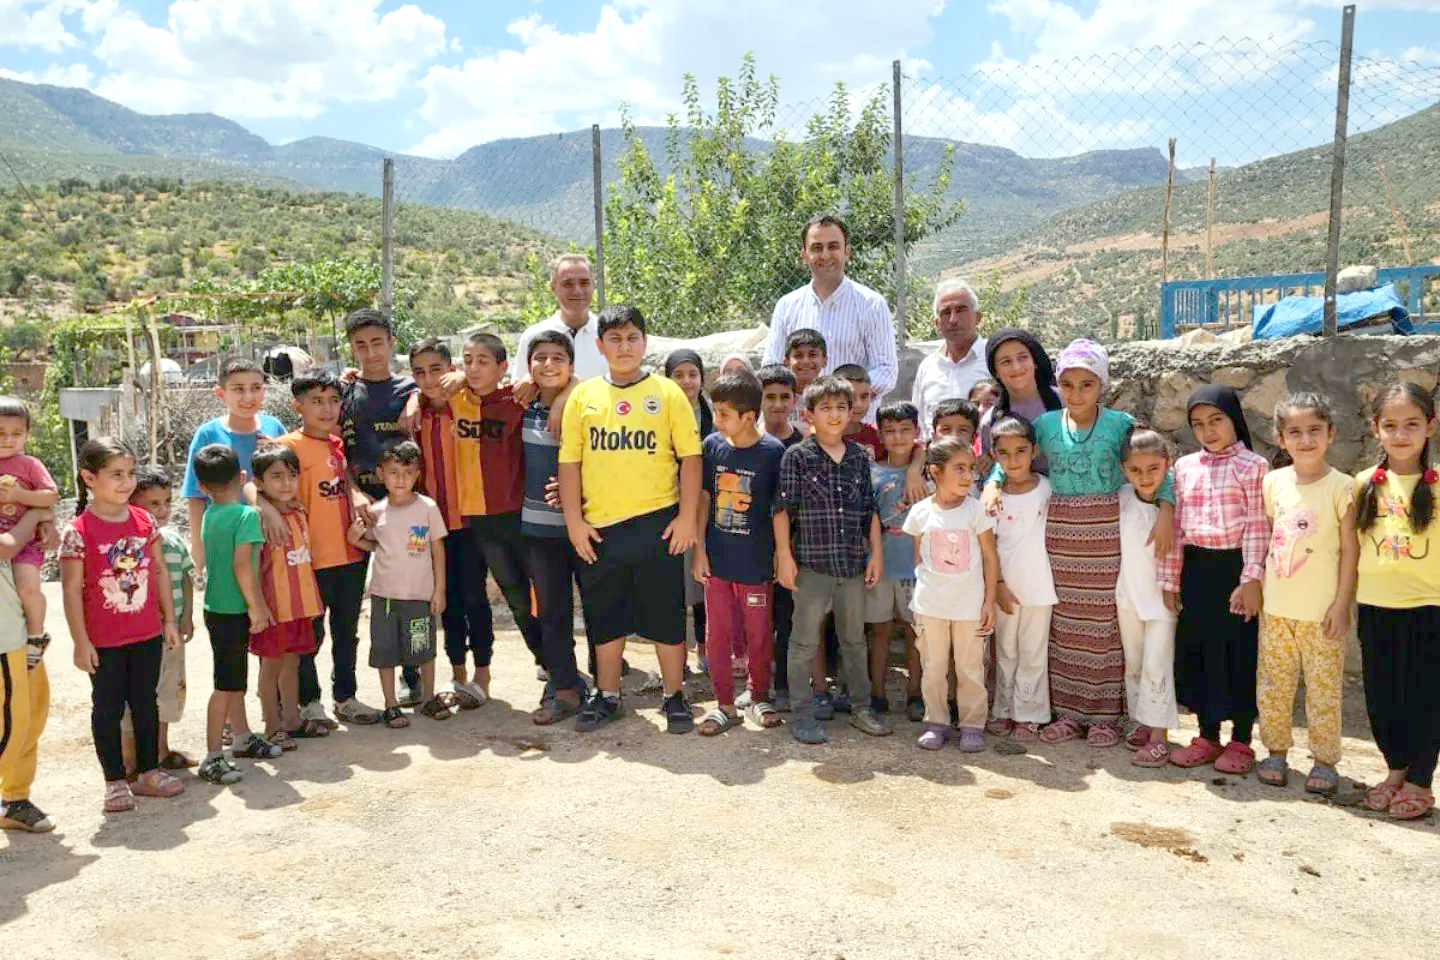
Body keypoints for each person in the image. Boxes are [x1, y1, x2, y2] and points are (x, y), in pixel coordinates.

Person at [982, 339, 1174, 748]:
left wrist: (1168, 509)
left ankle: (1104, 715)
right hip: (1060, 531)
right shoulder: (1048, 425)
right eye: (1068, 384)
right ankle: (1068, 713)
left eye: (1087, 384)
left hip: (1108, 531)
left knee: (1104, 625)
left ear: (1101, 385)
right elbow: (1014, 455)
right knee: (1065, 626)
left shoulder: (1121, 424)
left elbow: (1157, 465)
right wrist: (994, 483)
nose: (1076, 393)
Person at [559, 305, 701, 734]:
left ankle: (674, 696)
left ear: (645, 343)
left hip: (657, 522)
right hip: (599, 528)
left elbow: (691, 459)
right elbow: (569, 464)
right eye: (614, 339)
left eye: (632, 338)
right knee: (605, 616)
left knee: (666, 615)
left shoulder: (667, 393)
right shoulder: (582, 397)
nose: (624, 347)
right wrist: (574, 523)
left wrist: (686, 518)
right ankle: (608, 696)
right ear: (600, 346)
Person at [59, 438, 185, 811]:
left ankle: (148, 772)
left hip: (147, 634)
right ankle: (115, 781)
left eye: (130, 474)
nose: (126, 482)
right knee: (108, 708)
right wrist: (81, 642)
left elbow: (159, 569)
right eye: (116, 475)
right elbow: (69, 589)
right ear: (88, 478)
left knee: (146, 703)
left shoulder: (144, 520)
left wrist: (170, 621)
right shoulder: (78, 531)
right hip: (104, 641)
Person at [1160, 385, 1270, 774]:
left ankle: (1241, 740)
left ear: (1234, 419)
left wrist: (1252, 577)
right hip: (1196, 571)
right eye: (1198, 424)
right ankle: (1207, 736)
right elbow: (1176, 528)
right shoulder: (1185, 468)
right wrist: (1171, 581)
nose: (1207, 431)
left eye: (1216, 421)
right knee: (1200, 652)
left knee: (1239, 653)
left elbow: (1258, 525)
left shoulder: (1254, 467)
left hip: (1236, 572)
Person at [775, 375, 890, 744]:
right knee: (804, 641)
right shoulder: (797, 457)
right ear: (808, 414)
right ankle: (804, 713)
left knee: (854, 639)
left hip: (852, 565)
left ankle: (860, 707)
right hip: (812, 565)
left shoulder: (858, 457)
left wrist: (876, 554)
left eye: (842, 406)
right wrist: (784, 557)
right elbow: (781, 510)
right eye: (825, 408)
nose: (835, 414)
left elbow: (869, 509)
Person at [1256, 393, 1357, 794]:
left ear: (1331, 434)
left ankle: (1324, 760)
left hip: (1322, 614)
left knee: (1324, 690)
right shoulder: (1273, 482)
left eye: (1315, 430)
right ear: (1281, 439)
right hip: (1277, 608)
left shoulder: (1343, 487)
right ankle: (1276, 751)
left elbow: (1351, 549)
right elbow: (1270, 539)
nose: (1305, 439)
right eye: (1294, 432)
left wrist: (1341, 603)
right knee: (1274, 684)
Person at [1353, 382, 1440, 820]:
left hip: (1430, 610)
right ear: (1375, 429)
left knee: (1425, 697)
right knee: (1382, 696)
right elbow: (1350, 549)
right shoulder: (1364, 485)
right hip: (1374, 607)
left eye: (1412, 425)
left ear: (1431, 426)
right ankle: (1395, 769)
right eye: (1390, 425)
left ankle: (1421, 782)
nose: (1401, 435)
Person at [278, 371, 378, 727]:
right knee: (310, 635)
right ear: (298, 405)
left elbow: (343, 479)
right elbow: (268, 494)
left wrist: (356, 492)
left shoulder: (337, 444)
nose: (326, 409)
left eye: (333, 401)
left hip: (350, 554)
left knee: (347, 631)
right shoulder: (285, 447)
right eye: (316, 401)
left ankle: (346, 697)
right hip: (310, 560)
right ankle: (308, 702)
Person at [446, 333, 544, 692]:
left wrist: (531, 381)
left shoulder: (517, 399)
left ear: (502, 367)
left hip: (517, 515)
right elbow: (420, 391)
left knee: (538, 596)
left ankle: (557, 664)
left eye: (483, 361)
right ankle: (544, 660)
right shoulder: (455, 400)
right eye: (467, 360)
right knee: (515, 597)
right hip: (480, 519)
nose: (473, 368)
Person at [693, 373, 786, 735]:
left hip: (756, 562)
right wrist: (699, 551)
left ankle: (758, 695)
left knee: (759, 632)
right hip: (717, 561)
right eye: (714, 412)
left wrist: (781, 555)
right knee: (718, 633)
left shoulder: (773, 452)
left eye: (723, 413)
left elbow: (778, 509)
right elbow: (703, 498)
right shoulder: (713, 445)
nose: (716, 421)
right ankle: (724, 705)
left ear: (749, 416)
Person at [193, 444, 285, 785]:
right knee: (226, 685)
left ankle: (243, 736)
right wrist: (256, 605)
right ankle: (213, 754)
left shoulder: (209, 514)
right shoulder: (247, 516)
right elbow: (242, 564)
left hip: (216, 609)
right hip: (234, 610)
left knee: (234, 681)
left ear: (202, 487)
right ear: (242, 477)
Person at [409, 338, 491, 709]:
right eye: (419, 373)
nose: (428, 379)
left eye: (436, 369)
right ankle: (457, 675)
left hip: (472, 520)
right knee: (448, 601)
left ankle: (483, 673)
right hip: (434, 526)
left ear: (450, 367)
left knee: (475, 597)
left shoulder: (469, 402)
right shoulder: (413, 415)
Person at [902, 437, 998, 751]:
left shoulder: (976, 511)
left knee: (970, 668)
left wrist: (988, 602)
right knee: (933, 667)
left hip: (969, 607)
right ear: (935, 471)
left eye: (970, 468)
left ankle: (972, 724)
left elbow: (989, 557)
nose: (968, 476)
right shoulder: (920, 513)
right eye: (959, 468)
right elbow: (919, 559)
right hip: (931, 606)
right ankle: (936, 721)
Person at [347, 441, 450, 728]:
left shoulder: (427, 508)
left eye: (407, 472)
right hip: (385, 597)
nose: (400, 479)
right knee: (385, 651)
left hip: (419, 596)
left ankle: (428, 698)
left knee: (423, 648)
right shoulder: (376, 512)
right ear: (381, 474)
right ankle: (391, 705)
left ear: (417, 474)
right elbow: (371, 545)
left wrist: (439, 589)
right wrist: (354, 537)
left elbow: (437, 549)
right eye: (393, 472)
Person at [523, 331, 593, 725]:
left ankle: (605, 686)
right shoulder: (522, 406)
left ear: (571, 365)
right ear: (529, 365)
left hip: (584, 526)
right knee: (552, 612)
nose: (548, 365)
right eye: (540, 358)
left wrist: (577, 489)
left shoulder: (586, 406)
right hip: (538, 529)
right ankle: (564, 687)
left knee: (598, 608)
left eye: (557, 358)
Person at [763, 215, 898, 417]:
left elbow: (886, 371)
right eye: (817, 248)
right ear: (804, 255)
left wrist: (839, 396)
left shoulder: (871, 304)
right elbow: (771, 368)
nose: (825, 255)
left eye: (833, 246)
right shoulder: (787, 306)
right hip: (800, 425)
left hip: (854, 427)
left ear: (847, 252)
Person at [180, 358, 287, 576]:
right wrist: (198, 548)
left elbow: (291, 478)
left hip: (272, 534)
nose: (248, 397)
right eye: (239, 389)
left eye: (255, 388)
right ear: (221, 393)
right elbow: (194, 495)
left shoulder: (274, 427)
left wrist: (275, 453)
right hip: (226, 537)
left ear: (264, 391)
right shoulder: (208, 434)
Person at [249, 445, 322, 749]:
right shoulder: (257, 519)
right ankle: (272, 725)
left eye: (292, 475)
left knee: (292, 662)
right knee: (272, 666)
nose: (287, 483)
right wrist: (259, 606)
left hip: (300, 605)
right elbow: (251, 566)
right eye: (276, 477)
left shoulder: (300, 511)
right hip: (274, 608)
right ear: (260, 482)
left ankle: (292, 719)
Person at [123, 467, 195, 772]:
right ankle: (130, 762)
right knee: (132, 699)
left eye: (166, 502)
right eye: (153, 504)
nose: (162, 510)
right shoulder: (126, 544)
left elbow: (187, 578)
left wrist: (187, 617)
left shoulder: (174, 540)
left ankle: (160, 752)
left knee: (167, 693)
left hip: (172, 635)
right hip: (139, 635)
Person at [1116, 429, 1180, 767]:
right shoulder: (1123, 496)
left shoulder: (1173, 502)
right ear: (1124, 470)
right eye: (1135, 470)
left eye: (1153, 469)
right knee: (1136, 665)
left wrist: (1167, 505)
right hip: (1128, 595)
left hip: (1162, 601)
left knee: (1157, 665)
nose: (1144, 477)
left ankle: (1160, 738)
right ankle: (1142, 720)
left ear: (1166, 466)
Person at [988, 416, 1054, 742]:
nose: (1013, 460)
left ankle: (1029, 713)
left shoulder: (1047, 489)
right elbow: (988, 546)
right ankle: (1002, 709)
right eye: (1004, 453)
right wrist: (997, 585)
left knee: (1032, 652)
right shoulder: (993, 497)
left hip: (1040, 587)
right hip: (1004, 588)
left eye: (1020, 451)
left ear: (1034, 450)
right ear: (993, 455)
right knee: (1005, 651)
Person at [0, 505, 55, 832]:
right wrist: (36, 517)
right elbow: (6, 545)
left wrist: (44, 519)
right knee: (11, 725)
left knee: (32, 715)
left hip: (18, 633)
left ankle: (14, 798)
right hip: (4, 639)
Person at [868, 401, 923, 720]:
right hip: (881, 564)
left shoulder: (929, 468)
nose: (898, 437)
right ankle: (877, 694)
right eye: (890, 431)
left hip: (916, 568)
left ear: (916, 433)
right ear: (880, 436)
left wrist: (917, 464)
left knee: (915, 632)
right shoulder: (872, 471)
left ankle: (915, 694)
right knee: (880, 631)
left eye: (906, 430)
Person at [0, 395, 59, 657]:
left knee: (27, 587)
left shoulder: (30, 465)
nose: (7, 439)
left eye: (16, 433)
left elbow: (50, 496)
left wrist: (19, 497)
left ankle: (36, 635)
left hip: (25, 542)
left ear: (27, 434)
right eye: (0, 433)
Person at [666, 348, 714, 667]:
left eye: (692, 374)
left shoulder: (712, 413)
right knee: (672, 582)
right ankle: (675, 651)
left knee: (702, 580)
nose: (686, 381)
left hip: (706, 506)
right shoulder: (660, 412)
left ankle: (705, 647)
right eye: (678, 375)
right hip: (669, 505)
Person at [339, 308, 417, 502]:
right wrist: (355, 494)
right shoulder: (342, 392)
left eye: (377, 343)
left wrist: (418, 397)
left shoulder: (412, 390)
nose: (371, 353)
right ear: (352, 348)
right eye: (361, 345)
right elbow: (333, 449)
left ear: (391, 342)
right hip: (361, 504)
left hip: (409, 503)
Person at [911, 279, 989, 438]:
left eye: (961, 310)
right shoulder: (928, 368)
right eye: (946, 312)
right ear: (937, 323)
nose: (953, 319)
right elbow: (918, 425)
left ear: (978, 317)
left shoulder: (993, 359)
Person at [511, 253, 605, 383]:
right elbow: (520, 390)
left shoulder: (609, 335)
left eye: (584, 283)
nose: (577, 290)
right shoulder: (533, 335)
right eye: (568, 284)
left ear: (594, 286)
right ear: (553, 288)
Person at [977, 328, 1062, 467]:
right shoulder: (990, 423)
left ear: (1034, 361)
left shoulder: (1066, 402)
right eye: (1006, 362)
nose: (1016, 367)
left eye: (1022, 358)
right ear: (995, 371)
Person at [835, 364, 883, 460]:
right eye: (851, 397)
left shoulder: (875, 436)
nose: (858, 404)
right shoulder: (820, 434)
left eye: (864, 396)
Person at [758, 365, 802, 448]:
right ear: (758, 400)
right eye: (770, 397)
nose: (778, 405)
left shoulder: (803, 444)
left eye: (785, 397)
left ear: (794, 400)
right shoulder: (746, 442)